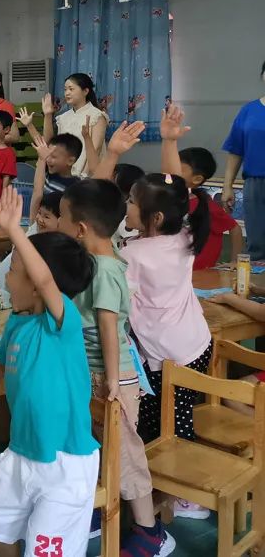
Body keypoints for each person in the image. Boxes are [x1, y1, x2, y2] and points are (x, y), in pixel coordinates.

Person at [0, 187, 99, 556]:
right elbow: (6, 363)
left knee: (47, 548)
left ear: (36, 285)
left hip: (64, 461)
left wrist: (15, 230)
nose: (5, 279)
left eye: (13, 270)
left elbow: (46, 282)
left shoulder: (61, 324)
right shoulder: (18, 320)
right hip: (22, 449)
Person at [59, 178, 174, 553]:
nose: (57, 223)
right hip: (94, 373)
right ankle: (99, 506)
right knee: (96, 446)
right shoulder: (93, 262)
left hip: (113, 377)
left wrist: (110, 380)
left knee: (124, 454)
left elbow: (109, 327)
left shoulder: (105, 269)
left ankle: (150, 531)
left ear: (80, 228)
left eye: (61, 217)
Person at [98, 110, 213, 446]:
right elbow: (175, 187)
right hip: (195, 344)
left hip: (166, 359)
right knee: (175, 421)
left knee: (167, 431)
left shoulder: (133, 254)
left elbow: (93, 207)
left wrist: (112, 155)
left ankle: (181, 479)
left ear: (156, 217)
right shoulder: (184, 235)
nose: (126, 205)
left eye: (132, 202)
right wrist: (169, 141)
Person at [222, 62, 265, 259]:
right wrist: (227, 186)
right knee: (256, 243)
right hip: (255, 184)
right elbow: (235, 150)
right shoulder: (249, 110)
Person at [180, 146, 243, 269]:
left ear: (197, 179)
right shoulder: (170, 202)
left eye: (177, 169)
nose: (169, 172)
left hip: (200, 272)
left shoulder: (205, 206)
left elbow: (235, 229)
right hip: (177, 270)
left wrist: (235, 261)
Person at [43, 73, 108, 177]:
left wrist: (84, 176)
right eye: (65, 89)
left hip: (90, 177)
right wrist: (47, 115)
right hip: (66, 176)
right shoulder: (63, 117)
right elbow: (50, 143)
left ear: (85, 91)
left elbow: (96, 148)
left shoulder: (97, 115)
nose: (67, 93)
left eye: (71, 89)